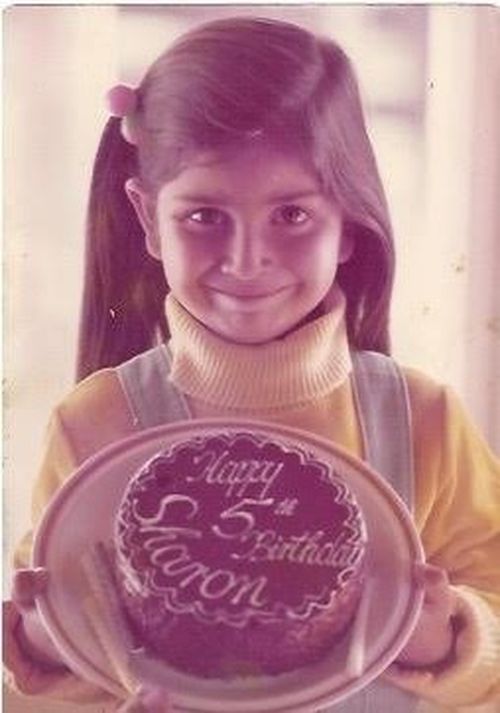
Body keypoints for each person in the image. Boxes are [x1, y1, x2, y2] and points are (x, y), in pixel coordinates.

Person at [4, 15, 500, 713]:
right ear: (147, 219)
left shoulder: (425, 422)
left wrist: (449, 635)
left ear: (348, 223)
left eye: (291, 216)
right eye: (204, 216)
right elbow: (58, 687)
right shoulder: (96, 426)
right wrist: (48, 644)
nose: (246, 260)